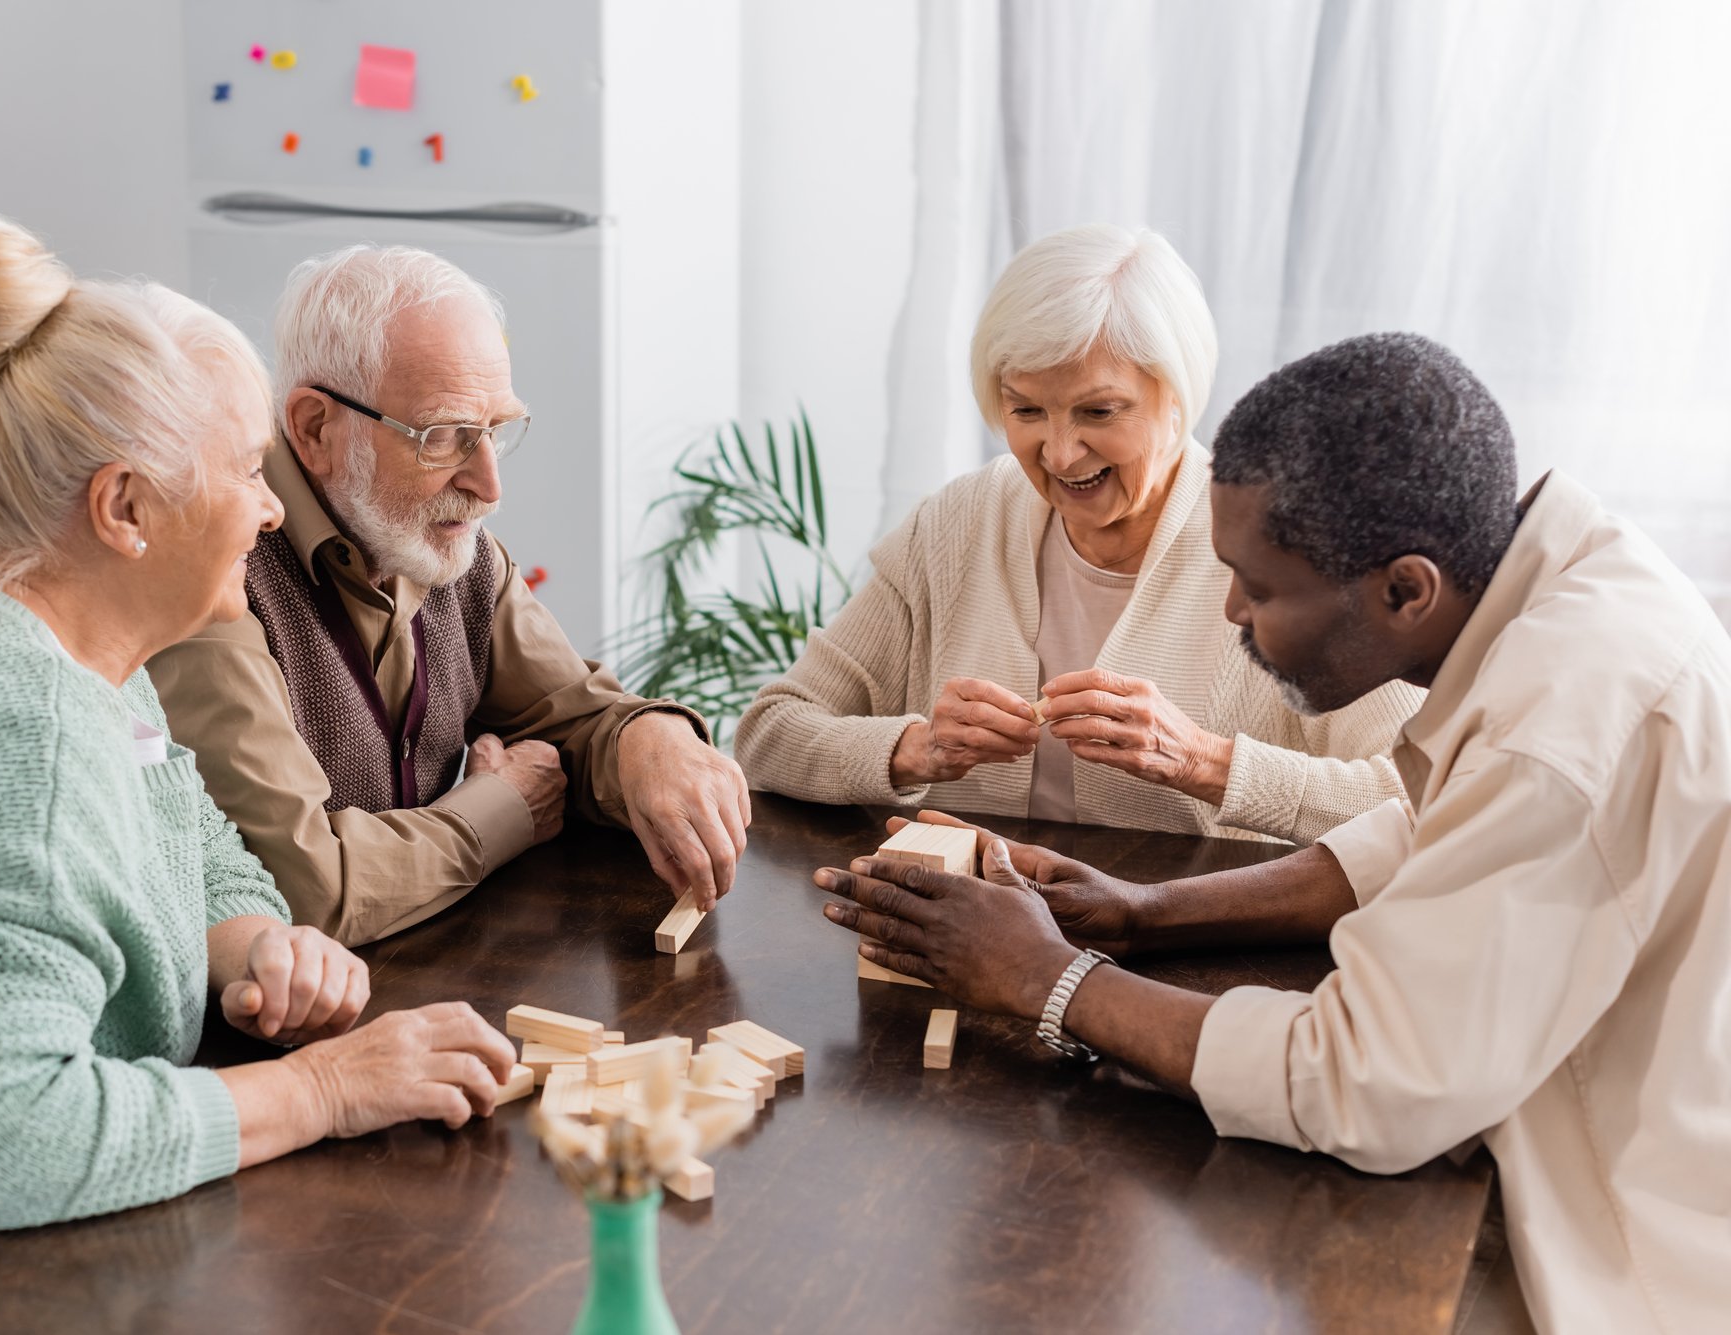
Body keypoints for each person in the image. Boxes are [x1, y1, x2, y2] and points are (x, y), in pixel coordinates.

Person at [815, 333, 1731, 1332]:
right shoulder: (1560, 570)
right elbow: (1436, 836)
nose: (1231, 610)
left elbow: (1366, 1087)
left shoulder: (1554, 730)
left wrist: (1048, 981)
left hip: (1609, 1255)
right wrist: (1143, 913)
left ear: (1403, 590)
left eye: (1259, 587)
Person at [0, 217, 517, 1289]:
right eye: (244, 469)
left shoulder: (10, 601)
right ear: (126, 510)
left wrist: (251, 943)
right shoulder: (22, 731)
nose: (270, 506)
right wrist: (325, 1092)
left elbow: (179, 823)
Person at [737, 225, 1419, 844]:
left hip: (1183, 963)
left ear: (1177, 397)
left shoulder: (1289, 548)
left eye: (1100, 410)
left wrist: (1204, 762)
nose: (1060, 453)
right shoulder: (958, 524)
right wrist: (912, 749)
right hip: (955, 939)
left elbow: (1418, 798)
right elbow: (770, 733)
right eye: (1026, 409)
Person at [148, 247, 747, 946]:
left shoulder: (438, 542)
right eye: (443, 437)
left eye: (495, 430)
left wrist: (651, 739)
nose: (490, 485)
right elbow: (305, 886)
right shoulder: (223, 564)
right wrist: (502, 807)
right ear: (315, 429)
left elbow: (572, 719)